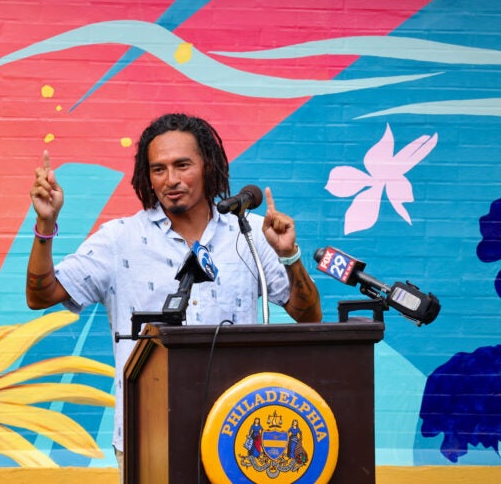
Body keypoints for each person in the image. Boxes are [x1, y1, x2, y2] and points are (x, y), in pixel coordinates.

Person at [26, 113, 321, 479]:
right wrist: (45, 225)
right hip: (148, 434)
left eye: (183, 165)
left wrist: (289, 256)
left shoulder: (248, 235)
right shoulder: (120, 239)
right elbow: (42, 295)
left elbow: (307, 316)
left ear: (207, 165)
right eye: (159, 169)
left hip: (240, 433)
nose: (172, 180)